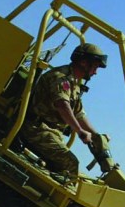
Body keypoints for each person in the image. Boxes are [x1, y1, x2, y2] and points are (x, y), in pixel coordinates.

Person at [19, 42, 108, 183]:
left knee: (75, 174)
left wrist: (97, 137)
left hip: (51, 131)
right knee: (70, 163)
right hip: (36, 128)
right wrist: (79, 131)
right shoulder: (60, 78)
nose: (95, 72)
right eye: (95, 67)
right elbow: (62, 105)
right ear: (84, 63)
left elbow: (79, 114)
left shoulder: (75, 83)